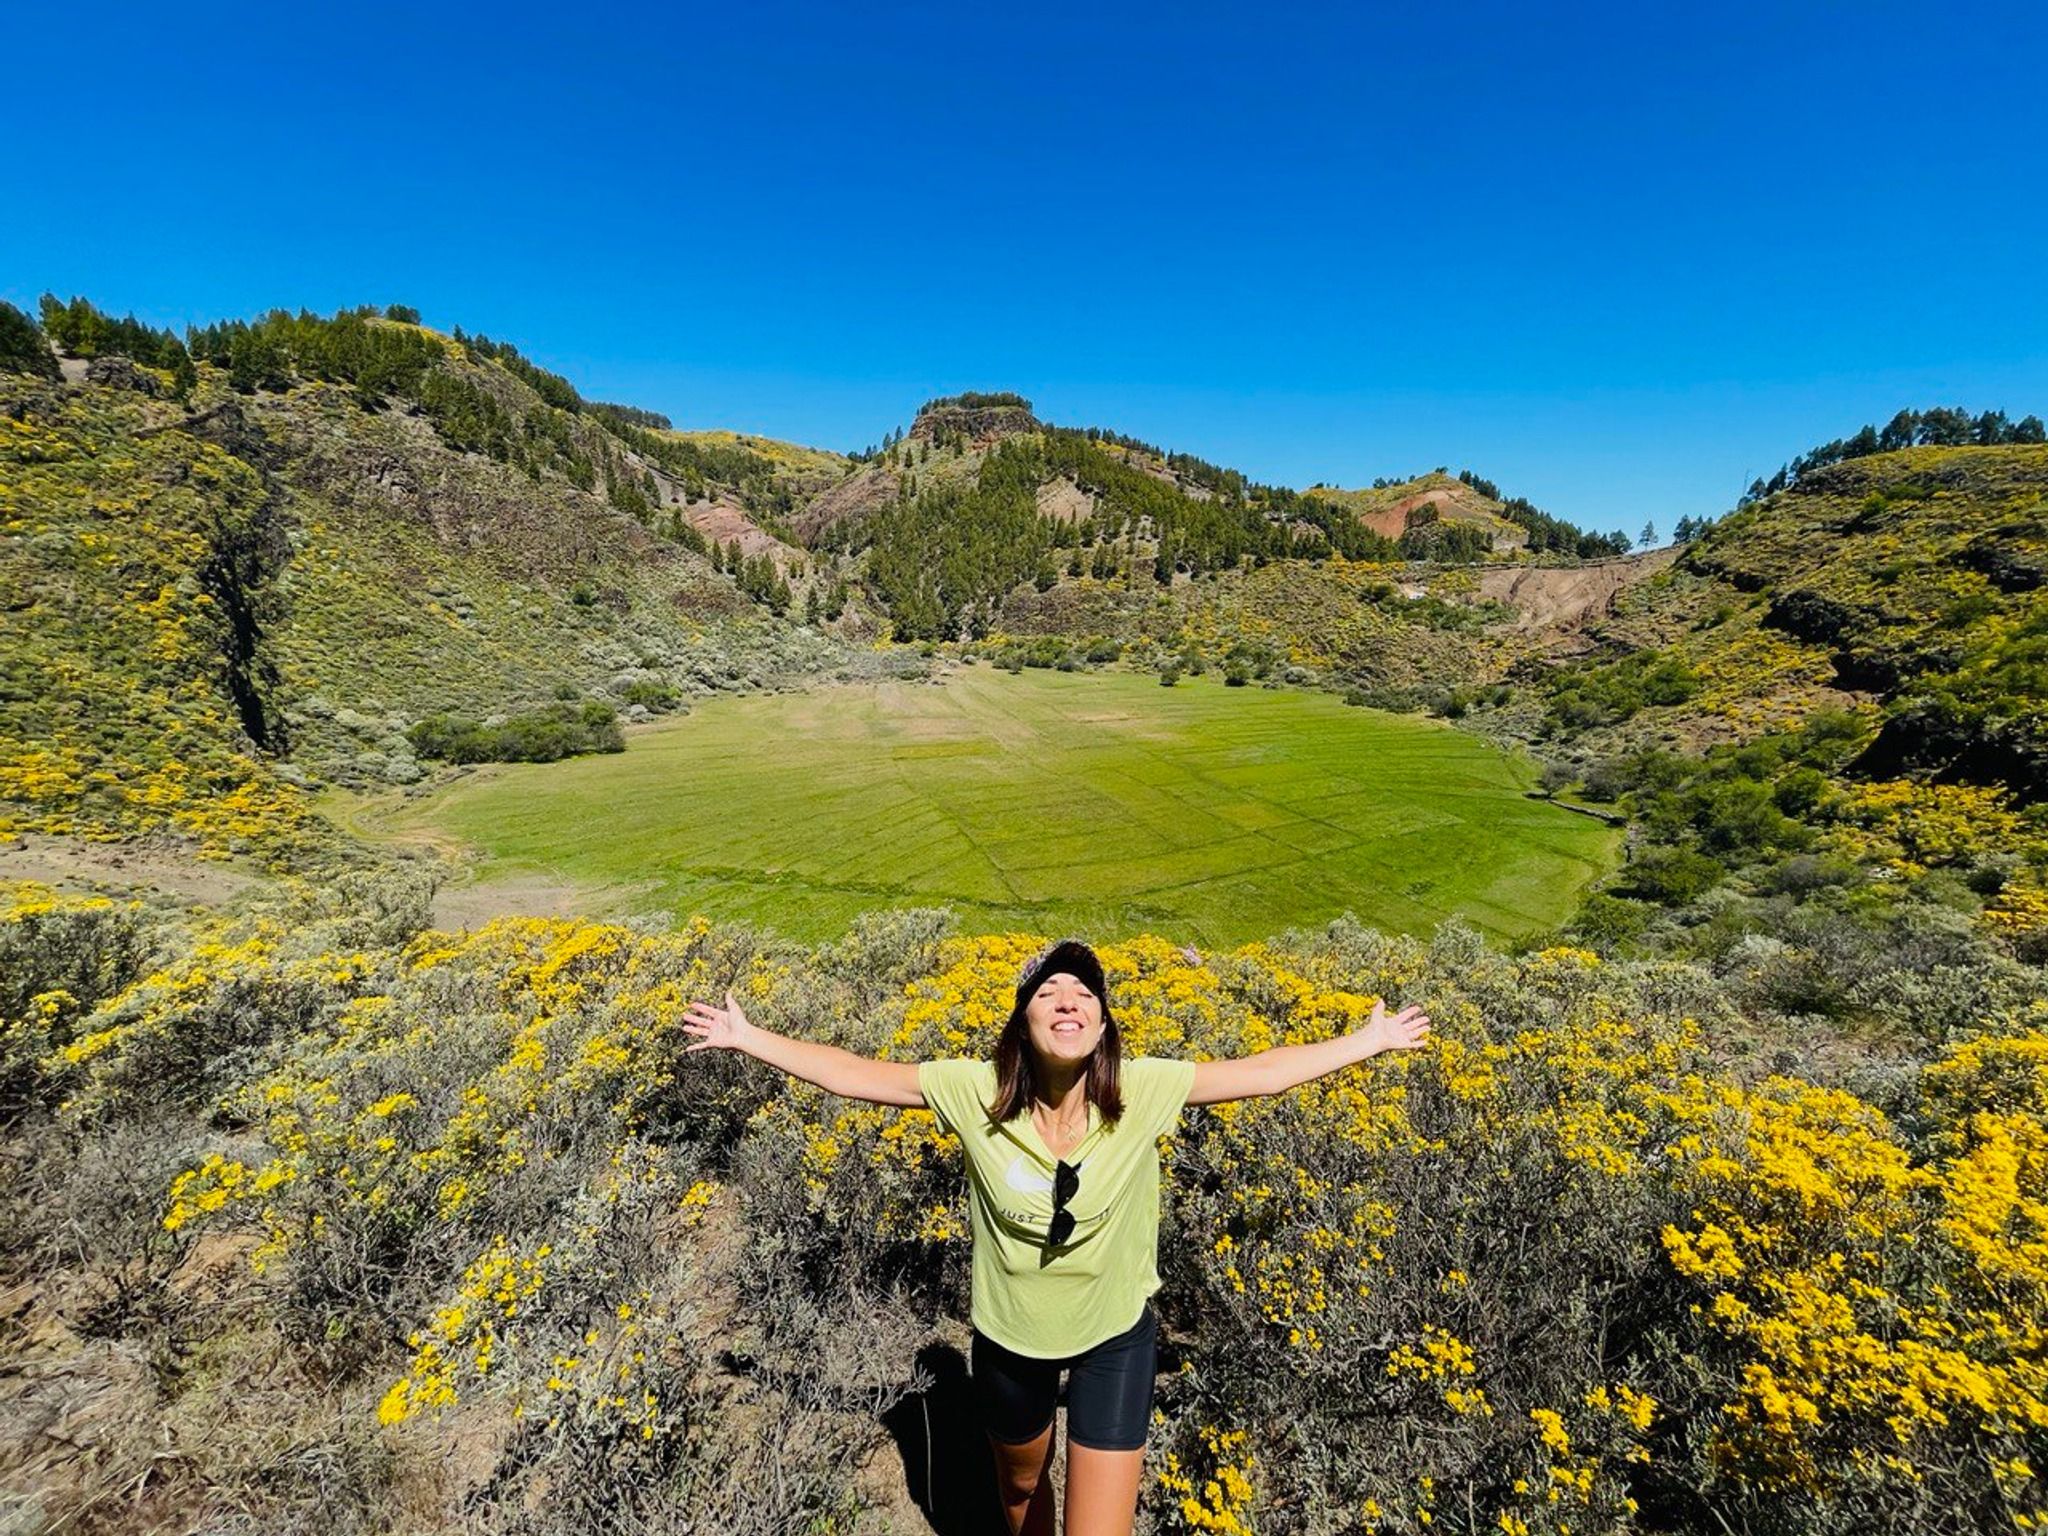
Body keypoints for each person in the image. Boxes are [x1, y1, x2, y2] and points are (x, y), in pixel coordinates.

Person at [681, 936, 1430, 1536]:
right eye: (1049, 991)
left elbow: (1264, 1072)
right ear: (1024, 1021)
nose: (1068, 999)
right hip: (1010, 1341)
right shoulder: (971, 1092)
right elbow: (852, 1074)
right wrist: (751, 1038)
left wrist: (1368, 1042)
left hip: (1115, 1338)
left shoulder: (1143, 1090)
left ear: (1103, 1023)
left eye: (1085, 993)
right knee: (1019, 1489)